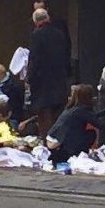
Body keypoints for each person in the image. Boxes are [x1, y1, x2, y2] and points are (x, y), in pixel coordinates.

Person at [27, 8, 68, 140]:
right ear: (48, 18)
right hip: (59, 81)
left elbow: (34, 60)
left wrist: (30, 78)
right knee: (58, 116)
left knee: (45, 117)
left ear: (36, 22)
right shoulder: (60, 34)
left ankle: (47, 144)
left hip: (42, 83)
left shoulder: (36, 35)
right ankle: (59, 142)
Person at [47, 84, 105, 163]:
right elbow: (101, 125)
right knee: (91, 134)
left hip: (53, 138)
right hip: (61, 143)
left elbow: (91, 117)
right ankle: (75, 153)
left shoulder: (72, 108)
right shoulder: (82, 110)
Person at [33, 0, 72, 77]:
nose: (38, 13)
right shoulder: (33, 27)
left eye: (41, 10)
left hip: (58, 68)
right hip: (41, 71)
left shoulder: (59, 26)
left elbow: (67, 45)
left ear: (47, 10)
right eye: (36, 10)